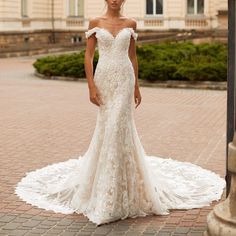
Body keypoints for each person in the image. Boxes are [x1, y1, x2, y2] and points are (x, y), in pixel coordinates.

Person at [15, 0, 226, 226]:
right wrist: (90, 86)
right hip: (104, 79)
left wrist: (136, 86)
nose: (115, 0)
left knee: (119, 127)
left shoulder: (131, 23)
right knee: (107, 128)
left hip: (125, 81)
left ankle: (118, 190)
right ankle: (105, 188)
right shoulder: (96, 22)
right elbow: (88, 56)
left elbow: (133, 56)